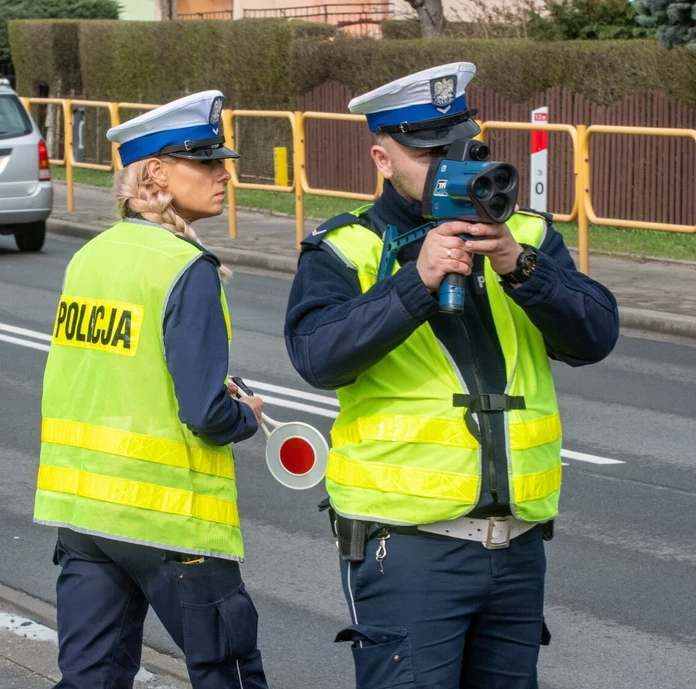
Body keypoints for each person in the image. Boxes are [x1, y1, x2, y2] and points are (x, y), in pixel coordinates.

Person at [284, 63, 620, 689]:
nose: (450, 163)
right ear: (383, 159)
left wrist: (523, 269)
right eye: (429, 151)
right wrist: (416, 283)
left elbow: (595, 337)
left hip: (517, 546)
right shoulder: (347, 246)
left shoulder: (526, 236)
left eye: (463, 145)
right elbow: (316, 355)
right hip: (408, 549)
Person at [33, 90, 269, 689]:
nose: (223, 175)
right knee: (229, 677)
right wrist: (245, 417)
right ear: (157, 174)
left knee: (92, 679)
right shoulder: (185, 266)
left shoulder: (89, 256)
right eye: (206, 162)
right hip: (170, 522)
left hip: (86, 516)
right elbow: (205, 413)